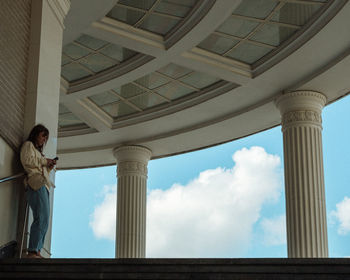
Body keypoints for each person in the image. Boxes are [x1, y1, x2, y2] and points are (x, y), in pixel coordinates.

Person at [20, 124, 57, 258]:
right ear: (36, 134)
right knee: (41, 216)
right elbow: (27, 161)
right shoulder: (28, 145)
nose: (43, 139)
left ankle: (37, 249)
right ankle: (32, 250)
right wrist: (43, 161)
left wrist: (48, 166)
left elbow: (40, 166)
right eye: (42, 136)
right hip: (35, 183)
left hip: (43, 184)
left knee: (45, 218)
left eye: (45, 137)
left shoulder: (39, 152)